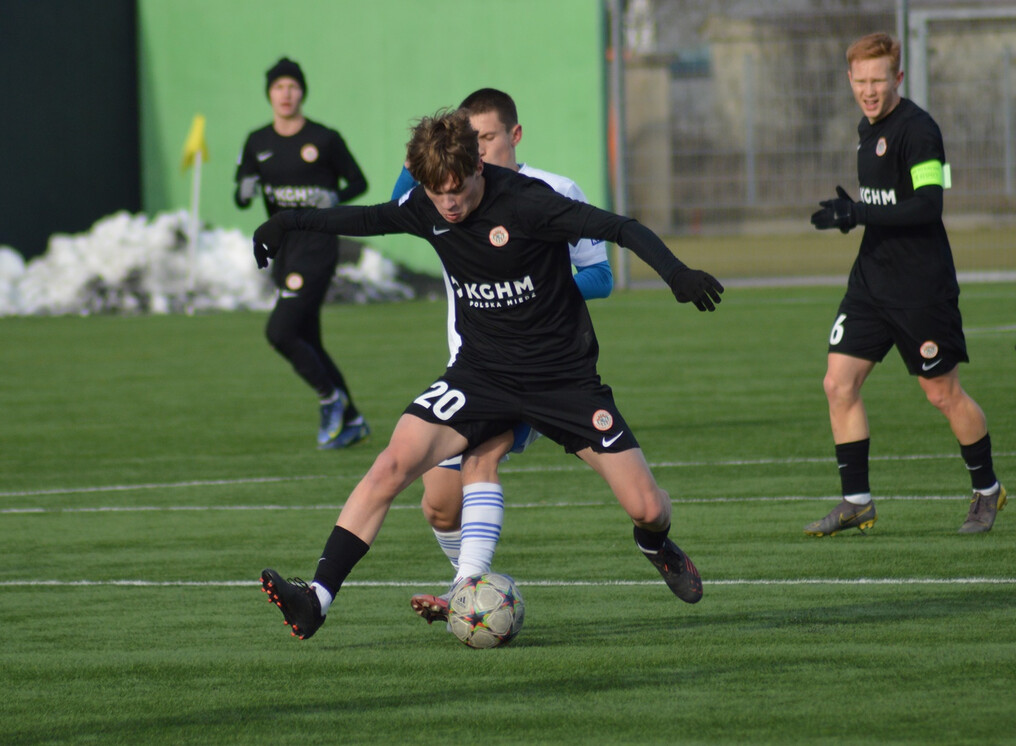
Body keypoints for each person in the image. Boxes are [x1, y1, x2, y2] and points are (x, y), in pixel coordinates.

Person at [254, 108, 724, 640]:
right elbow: (362, 219)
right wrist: (286, 222)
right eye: (437, 191)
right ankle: (316, 598)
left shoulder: (528, 203)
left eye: (457, 188)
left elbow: (619, 227)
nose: (449, 203)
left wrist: (676, 273)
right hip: (481, 375)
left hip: (561, 379)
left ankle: (654, 543)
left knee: (646, 506)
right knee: (392, 463)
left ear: (479, 166)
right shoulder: (425, 204)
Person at [391, 88, 614, 625]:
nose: (479, 148)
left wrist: (533, 294)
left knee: (480, 461)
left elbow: (601, 276)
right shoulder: (451, 194)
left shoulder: (554, 190)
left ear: (514, 135)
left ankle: (466, 590)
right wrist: (419, 157)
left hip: (535, 365)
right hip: (469, 367)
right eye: (470, 140)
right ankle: (467, 591)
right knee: (439, 503)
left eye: (486, 137)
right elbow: (400, 201)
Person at [807, 32, 1005, 537]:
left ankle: (987, 490)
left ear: (898, 77)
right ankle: (857, 502)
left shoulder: (919, 130)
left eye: (879, 80)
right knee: (838, 383)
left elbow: (928, 205)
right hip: (871, 282)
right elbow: (884, 202)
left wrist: (858, 211)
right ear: (849, 80)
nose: (869, 90)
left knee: (942, 393)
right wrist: (854, 214)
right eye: (861, 81)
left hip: (921, 286)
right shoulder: (864, 127)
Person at [235, 57, 371, 450]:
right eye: (278, 87)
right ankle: (352, 421)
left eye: (292, 86)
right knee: (307, 338)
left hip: (317, 244)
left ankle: (331, 400)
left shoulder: (324, 138)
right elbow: (243, 194)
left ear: (302, 92)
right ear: (269, 94)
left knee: (279, 331)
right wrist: (242, 191)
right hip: (284, 248)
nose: (286, 94)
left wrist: (334, 199)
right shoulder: (257, 142)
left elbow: (358, 182)